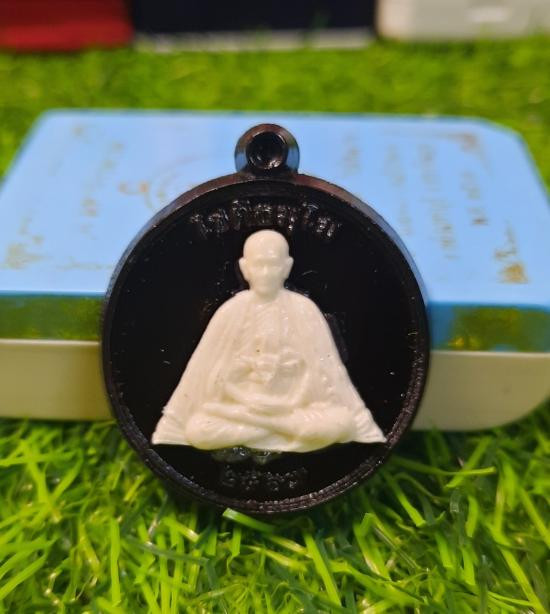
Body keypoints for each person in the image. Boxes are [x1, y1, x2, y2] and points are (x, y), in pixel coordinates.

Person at [152, 229, 386, 452]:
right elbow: (207, 375)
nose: (265, 273)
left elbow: (327, 372)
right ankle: (279, 432)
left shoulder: (304, 310)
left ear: (286, 267)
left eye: (272, 265)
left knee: (342, 422)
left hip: (290, 409)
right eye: (259, 265)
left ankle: (263, 429)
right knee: (197, 429)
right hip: (242, 409)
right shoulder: (232, 311)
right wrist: (242, 384)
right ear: (245, 268)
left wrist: (292, 391)